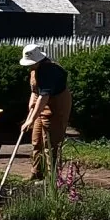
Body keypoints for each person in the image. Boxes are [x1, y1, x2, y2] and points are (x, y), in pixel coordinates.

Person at [18, 44, 71, 180]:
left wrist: (30, 120)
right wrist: (31, 106)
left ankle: (51, 179)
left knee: (50, 144)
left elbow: (44, 96)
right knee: (37, 141)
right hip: (41, 105)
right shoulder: (34, 69)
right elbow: (35, 92)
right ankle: (36, 173)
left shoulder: (50, 71)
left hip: (56, 107)